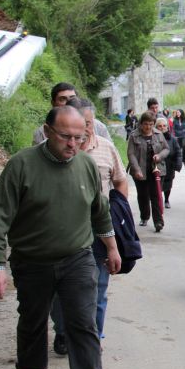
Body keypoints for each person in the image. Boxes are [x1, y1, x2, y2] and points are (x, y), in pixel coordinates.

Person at [0, 105, 120, 369]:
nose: (73, 143)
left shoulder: (85, 165)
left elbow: (99, 211)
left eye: (79, 137)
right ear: (47, 131)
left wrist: (112, 247)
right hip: (32, 261)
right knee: (32, 319)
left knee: (82, 326)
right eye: (66, 137)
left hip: (77, 258)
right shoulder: (21, 165)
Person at [50, 99, 130, 352]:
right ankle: (63, 331)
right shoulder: (52, 151)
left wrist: (118, 211)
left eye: (89, 125)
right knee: (60, 289)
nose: (85, 131)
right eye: (82, 124)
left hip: (99, 230)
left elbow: (120, 180)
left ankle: (93, 337)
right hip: (63, 232)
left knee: (98, 286)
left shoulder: (106, 148)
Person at [127, 110, 169, 232]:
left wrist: (159, 156)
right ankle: (144, 216)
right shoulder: (134, 135)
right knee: (143, 195)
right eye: (146, 124)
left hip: (156, 170)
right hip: (139, 170)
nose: (148, 127)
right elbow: (131, 154)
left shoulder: (159, 134)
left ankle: (158, 222)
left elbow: (166, 149)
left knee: (156, 195)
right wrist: (137, 169)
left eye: (151, 124)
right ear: (141, 123)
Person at [32, 82, 111, 145]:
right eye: (62, 99)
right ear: (53, 103)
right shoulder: (42, 132)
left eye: (72, 98)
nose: (69, 102)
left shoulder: (99, 127)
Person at [156, 118, 183, 209]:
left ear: (167, 127)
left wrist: (178, 164)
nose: (162, 128)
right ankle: (157, 201)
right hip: (157, 165)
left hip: (169, 164)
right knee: (157, 184)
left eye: (164, 126)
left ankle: (166, 199)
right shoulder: (154, 137)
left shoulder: (172, 139)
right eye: (159, 126)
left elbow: (178, 152)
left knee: (168, 184)